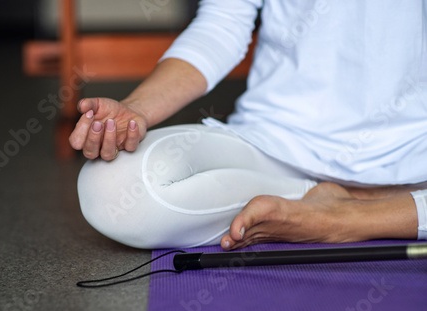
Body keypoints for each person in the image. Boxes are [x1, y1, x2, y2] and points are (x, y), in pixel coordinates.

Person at [69, 0, 427, 250]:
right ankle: (326, 200)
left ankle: (350, 218)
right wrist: (136, 109)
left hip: (413, 153)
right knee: (110, 189)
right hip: (279, 137)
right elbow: (222, 23)